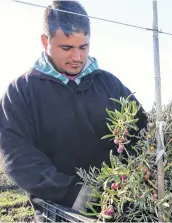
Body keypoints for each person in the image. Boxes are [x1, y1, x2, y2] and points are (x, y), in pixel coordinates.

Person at [0, 0, 147, 221]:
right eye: (66, 48)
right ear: (45, 41)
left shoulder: (109, 84)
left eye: (83, 47)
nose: (77, 57)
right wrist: (76, 193)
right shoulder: (20, 92)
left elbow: (141, 130)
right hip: (58, 213)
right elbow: (18, 159)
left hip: (115, 208)